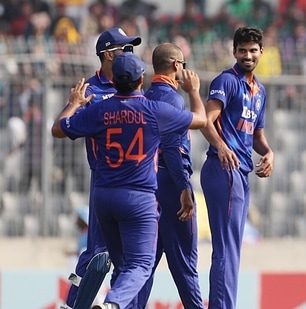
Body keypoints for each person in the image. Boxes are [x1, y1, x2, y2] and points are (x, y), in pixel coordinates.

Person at [51, 53, 207, 309]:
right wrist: (194, 92)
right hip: (138, 198)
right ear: (139, 80)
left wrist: (74, 103)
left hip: (103, 198)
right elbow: (200, 120)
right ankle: (111, 304)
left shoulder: (100, 109)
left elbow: (58, 128)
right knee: (141, 264)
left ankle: (104, 302)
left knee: (122, 264)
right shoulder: (153, 108)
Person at [61, 26, 142, 309]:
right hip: (104, 180)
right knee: (98, 254)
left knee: (128, 256)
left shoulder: (133, 84)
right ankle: (73, 304)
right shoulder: (91, 91)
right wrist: (73, 105)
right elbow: (61, 127)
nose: (129, 53)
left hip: (134, 182)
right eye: (124, 49)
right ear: (108, 54)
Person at [200, 26, 274, 309]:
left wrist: (269, 153)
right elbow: (207, 120)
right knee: (227, 250)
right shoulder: (226, 81)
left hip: (240, 173)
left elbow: (256, 136)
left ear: (261, 53)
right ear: (234, 51)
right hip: (224, 169)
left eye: (253, 50)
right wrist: (221, 146)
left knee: (231, 249)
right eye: (242, 50)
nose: (247, 55)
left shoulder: (259, 90)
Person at [135, 43, 205, 308]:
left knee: (144, 266)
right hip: (170, 184)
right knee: (185, 266)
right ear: (177, 65)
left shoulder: (142, 98)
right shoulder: (173, 99)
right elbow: (173, 149)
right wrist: (184, 188)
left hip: (146, 187)